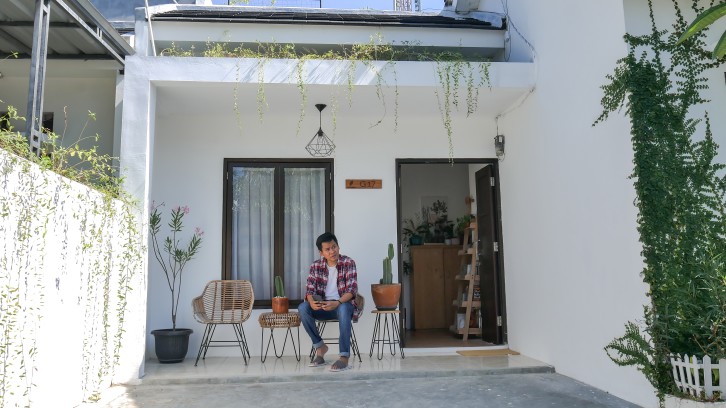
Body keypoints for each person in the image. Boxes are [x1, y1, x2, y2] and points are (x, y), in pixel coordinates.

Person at [298, 232, 359, 372]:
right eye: (327, 249)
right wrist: (311, 302)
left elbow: (352, 290)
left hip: (342, 306)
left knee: (344, 308)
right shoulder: (316, 266)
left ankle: (344, 357)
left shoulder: (348, 263)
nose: (332, 251)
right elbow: (309, 290)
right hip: (323, 307)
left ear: (338, 246)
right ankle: (320, 348)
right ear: (321, 253)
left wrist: (337, 303)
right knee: (303, 308)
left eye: (334, 247)